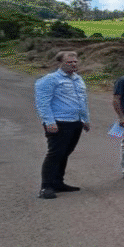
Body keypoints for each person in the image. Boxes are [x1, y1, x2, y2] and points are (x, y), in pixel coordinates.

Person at [34, 50, 90, 199]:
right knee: (55, 154)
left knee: (65, 153)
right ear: (60, 63)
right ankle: (46, 187)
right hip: (59, 122)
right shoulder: (50, 79)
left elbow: (82, 101)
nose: (73, 64)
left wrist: (85, 119)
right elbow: (43, 103)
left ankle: (58, 183)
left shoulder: (78, 79)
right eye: (69, 62)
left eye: (75, 62)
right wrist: (49, 122)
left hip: (75, 122)